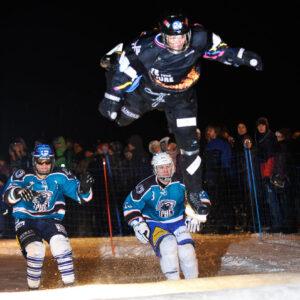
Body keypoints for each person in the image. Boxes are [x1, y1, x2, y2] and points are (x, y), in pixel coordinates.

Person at [99, 13, 262, 217]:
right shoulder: (146, 49)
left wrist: (245, 57)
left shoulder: (200, 37)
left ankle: (195, 192)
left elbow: (222, 52)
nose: (177, 42)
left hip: (181, 98)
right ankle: (113, 57)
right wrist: (111, 97)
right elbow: (123, 75)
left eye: (181, 36)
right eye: (172, 38)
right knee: (119, 119)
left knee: (190, 144)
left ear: (188, 33)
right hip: (148, 95)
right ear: (163, 36)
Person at [2, 144, 94, 289]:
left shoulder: (62, 175)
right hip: (26, 220)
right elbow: (6, 197)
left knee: (61, 245)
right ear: (34, 161)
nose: (44, 165)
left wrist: (85, 189)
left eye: (48, 162)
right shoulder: (22, 174)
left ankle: (70, 287)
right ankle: (33, 290)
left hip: (50, 219)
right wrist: (18, 192)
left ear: (52, 161)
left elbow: (83, 198)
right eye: (40, 162)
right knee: (35, 250)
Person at [123, 152, 206, 280]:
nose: (165, 170)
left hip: (178, 221)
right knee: (168, 244)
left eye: (167, 166)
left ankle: (194, 285)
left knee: (187, 251)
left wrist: (196, 214)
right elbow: (130, 204)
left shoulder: (182, 181)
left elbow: (200, 196)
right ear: (155, 169)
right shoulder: (146, 186)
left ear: (172, 166)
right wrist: (137, 223)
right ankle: (173, 284)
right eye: (161, 167)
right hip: (154, 223)